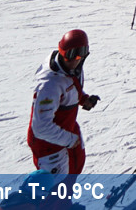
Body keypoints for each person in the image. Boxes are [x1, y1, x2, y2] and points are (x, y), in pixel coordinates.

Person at [27, 29, 98, 175]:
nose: (72, 60)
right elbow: (41, 128)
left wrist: (83, 99)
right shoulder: (49, 85)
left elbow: (69, 87)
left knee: (75, 166)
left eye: (77, 56)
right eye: (68, 56)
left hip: (67, 128)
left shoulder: (72, 67)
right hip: (49, 144)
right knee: (57, 183)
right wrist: (69, 140)